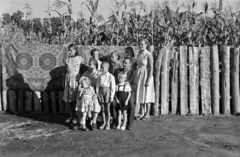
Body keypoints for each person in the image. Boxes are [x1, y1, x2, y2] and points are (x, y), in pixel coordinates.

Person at [133, 39, 155, 120]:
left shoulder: (148, 54)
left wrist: (148, 80)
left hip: (146, 75)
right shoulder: (138, 54)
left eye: (142, 44)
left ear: (146, 45)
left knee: (147, 94)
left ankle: (147, 113)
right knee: (141, 93)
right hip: (139, 75)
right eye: (139, 44)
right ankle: (142, 112)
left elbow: (151, 68)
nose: (140, 46)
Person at [112, 57, 136, 130]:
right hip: (118, 92)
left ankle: (129, 123)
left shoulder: (133, 73)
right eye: (123, 63)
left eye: (126, 63)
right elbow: (113, 82)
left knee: (131, 104)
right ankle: (116, 122)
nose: (124, 64)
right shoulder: (117, 71)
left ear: (130, 64)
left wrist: (128, 85)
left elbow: (135, 86)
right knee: (113, 102)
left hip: (128, 92)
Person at [63, 44, 83, 125]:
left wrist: (81, 80)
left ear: (75, 50)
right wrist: (63, 82)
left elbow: (83, 70)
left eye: (71, 50)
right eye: (69, 50)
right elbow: (64, 71)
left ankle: (76, 117)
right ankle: (71, 116)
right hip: (68, 81)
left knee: (76, 99)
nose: (69, 52)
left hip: (76, 81)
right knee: (70, 100)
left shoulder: (80, 59)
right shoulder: (67, 60)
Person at [80, 59, 102, 130]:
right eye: (89, 64)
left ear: (95, 65)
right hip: (87, 93)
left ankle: (94, 121)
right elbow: (81, 81)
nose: (88, 66)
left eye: (90, 64)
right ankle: (84, 122)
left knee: (96, 103)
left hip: (95, 92)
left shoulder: (99, 73)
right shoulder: (86, 73)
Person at [96, 62, 116, 130]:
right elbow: (97, 85)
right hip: (101, 92)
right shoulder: (100, 76)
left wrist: (111, 96)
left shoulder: (111, 76)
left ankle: (108, 123)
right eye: (101, 67)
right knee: (103, 109)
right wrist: (97, 93)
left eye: (103, 67)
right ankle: (103, 122)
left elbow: (113, 87)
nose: (101, 69)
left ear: (107, 68)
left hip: (107, 92)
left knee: (107, 109)